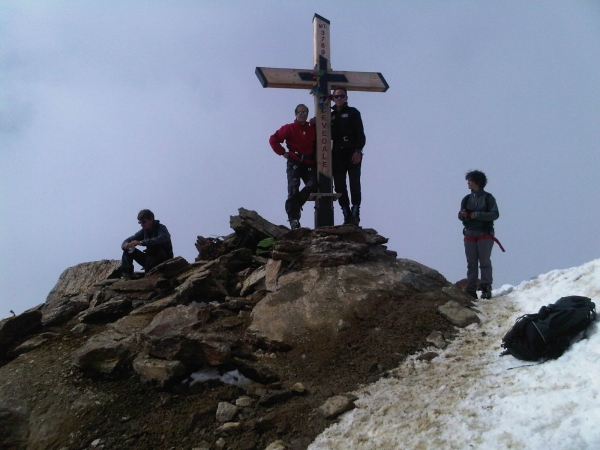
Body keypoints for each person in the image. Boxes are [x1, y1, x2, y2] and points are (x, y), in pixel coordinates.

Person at [269, 103, 317, 229]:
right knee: (293, 189)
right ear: (295, 114)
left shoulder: (312, 128)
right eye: (300, 112)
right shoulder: (289, 128)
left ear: (307, 115)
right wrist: (282, 152)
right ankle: (293, 219)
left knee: (314, 185)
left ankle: (294, 205)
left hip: (309, 163)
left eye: (305, 112)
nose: (302, 115)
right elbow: (273, 139)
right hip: (294, 161)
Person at [458, 170, 500, 299]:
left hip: (484, 233)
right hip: (470, 233)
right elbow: (460, 216)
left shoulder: (488, 198)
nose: (468, 182)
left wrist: (476, 215)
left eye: (470, 180)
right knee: (471, 263)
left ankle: (486, 287)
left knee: (484, 261)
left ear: (477, 181)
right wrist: (463, 215)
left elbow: (495, 214)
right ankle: (471, 289)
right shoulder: (466, 199)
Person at [331, 87, 366, 225]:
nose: (339, 99)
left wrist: (358, 150)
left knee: (354, 184)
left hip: (352, 152)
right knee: (339, 186)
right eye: (336, 96)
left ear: (346, 97)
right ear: (333, 98)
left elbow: (360, 133)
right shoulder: (329, 115)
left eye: (342, 96)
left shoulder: (353, 112)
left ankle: (355, 212)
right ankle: (346, 212)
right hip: (337, 153)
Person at [120, 209, 173, 279]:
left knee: (155, 247)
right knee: (128, 250)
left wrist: (141, 242)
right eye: (140, 223)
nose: (142, 225)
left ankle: (148, 271)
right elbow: (128, 239)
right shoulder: (144, 231)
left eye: (144, 222)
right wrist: (125, 245)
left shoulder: (161, 228)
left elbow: (163, 238)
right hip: (149, 260)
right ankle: (126, 274)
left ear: (151, 219)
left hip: (163, 260)